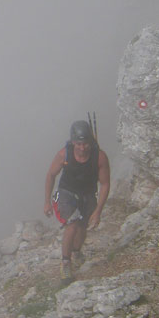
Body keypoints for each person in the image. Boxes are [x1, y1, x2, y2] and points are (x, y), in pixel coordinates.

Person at [44, 119, 111, 282]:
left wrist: (98, 212)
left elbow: (105, 184)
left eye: (85, 144)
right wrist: (47, 201)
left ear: (90, 142)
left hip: (88, 194)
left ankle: (76, 251)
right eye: (78, 144)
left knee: (82, 227)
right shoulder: (64, 154)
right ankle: (66, 263)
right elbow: (51, 175)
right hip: (66, 192)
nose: (82, 148)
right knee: (72, 225)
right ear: (73, 142)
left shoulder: (100, 157)